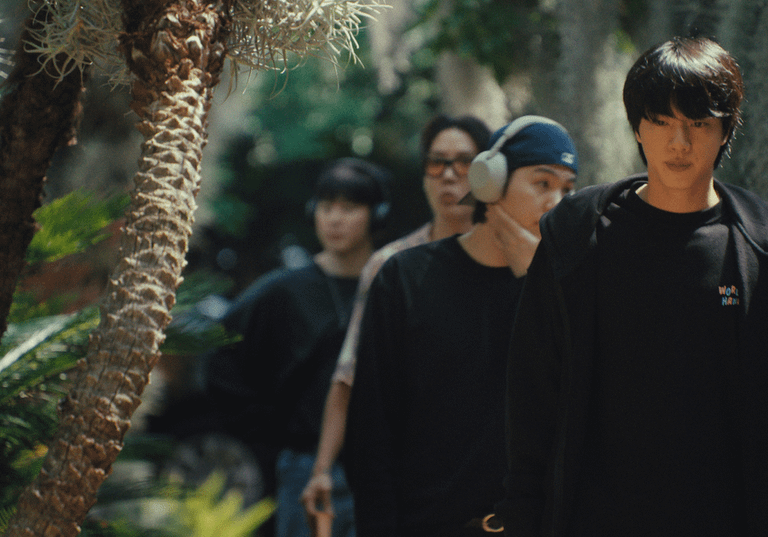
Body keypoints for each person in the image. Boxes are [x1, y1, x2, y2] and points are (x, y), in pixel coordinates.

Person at [498, 36, 768, 537]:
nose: (679, 142)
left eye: (699, 123)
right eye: (661, 121)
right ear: (637, 128)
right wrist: (521, 521)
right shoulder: (576, 237)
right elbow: (532, 400)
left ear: (726, 129)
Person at [344, 116, 578, 537]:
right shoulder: (405, 278)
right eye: (543, 183)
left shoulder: (566, 290)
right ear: (490, 182)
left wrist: (540, 284)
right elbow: (371, 435)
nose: (556, 202)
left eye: (567, 189)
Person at [299, 115, 492, 536]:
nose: (449, 176)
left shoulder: (512, 261)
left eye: (464, 162)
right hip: (416, 486)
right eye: (437, 162)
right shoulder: (391, 266)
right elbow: (348, 376)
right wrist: (321, 469)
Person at [215, 158, 393, 537]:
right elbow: (221, 356)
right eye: (326, 207)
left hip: (381, 469)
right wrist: (267, 436)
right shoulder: (282, 290)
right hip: (304, 465)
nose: (334, 219)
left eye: (349, 208)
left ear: (376, 215)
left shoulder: (391, 285)